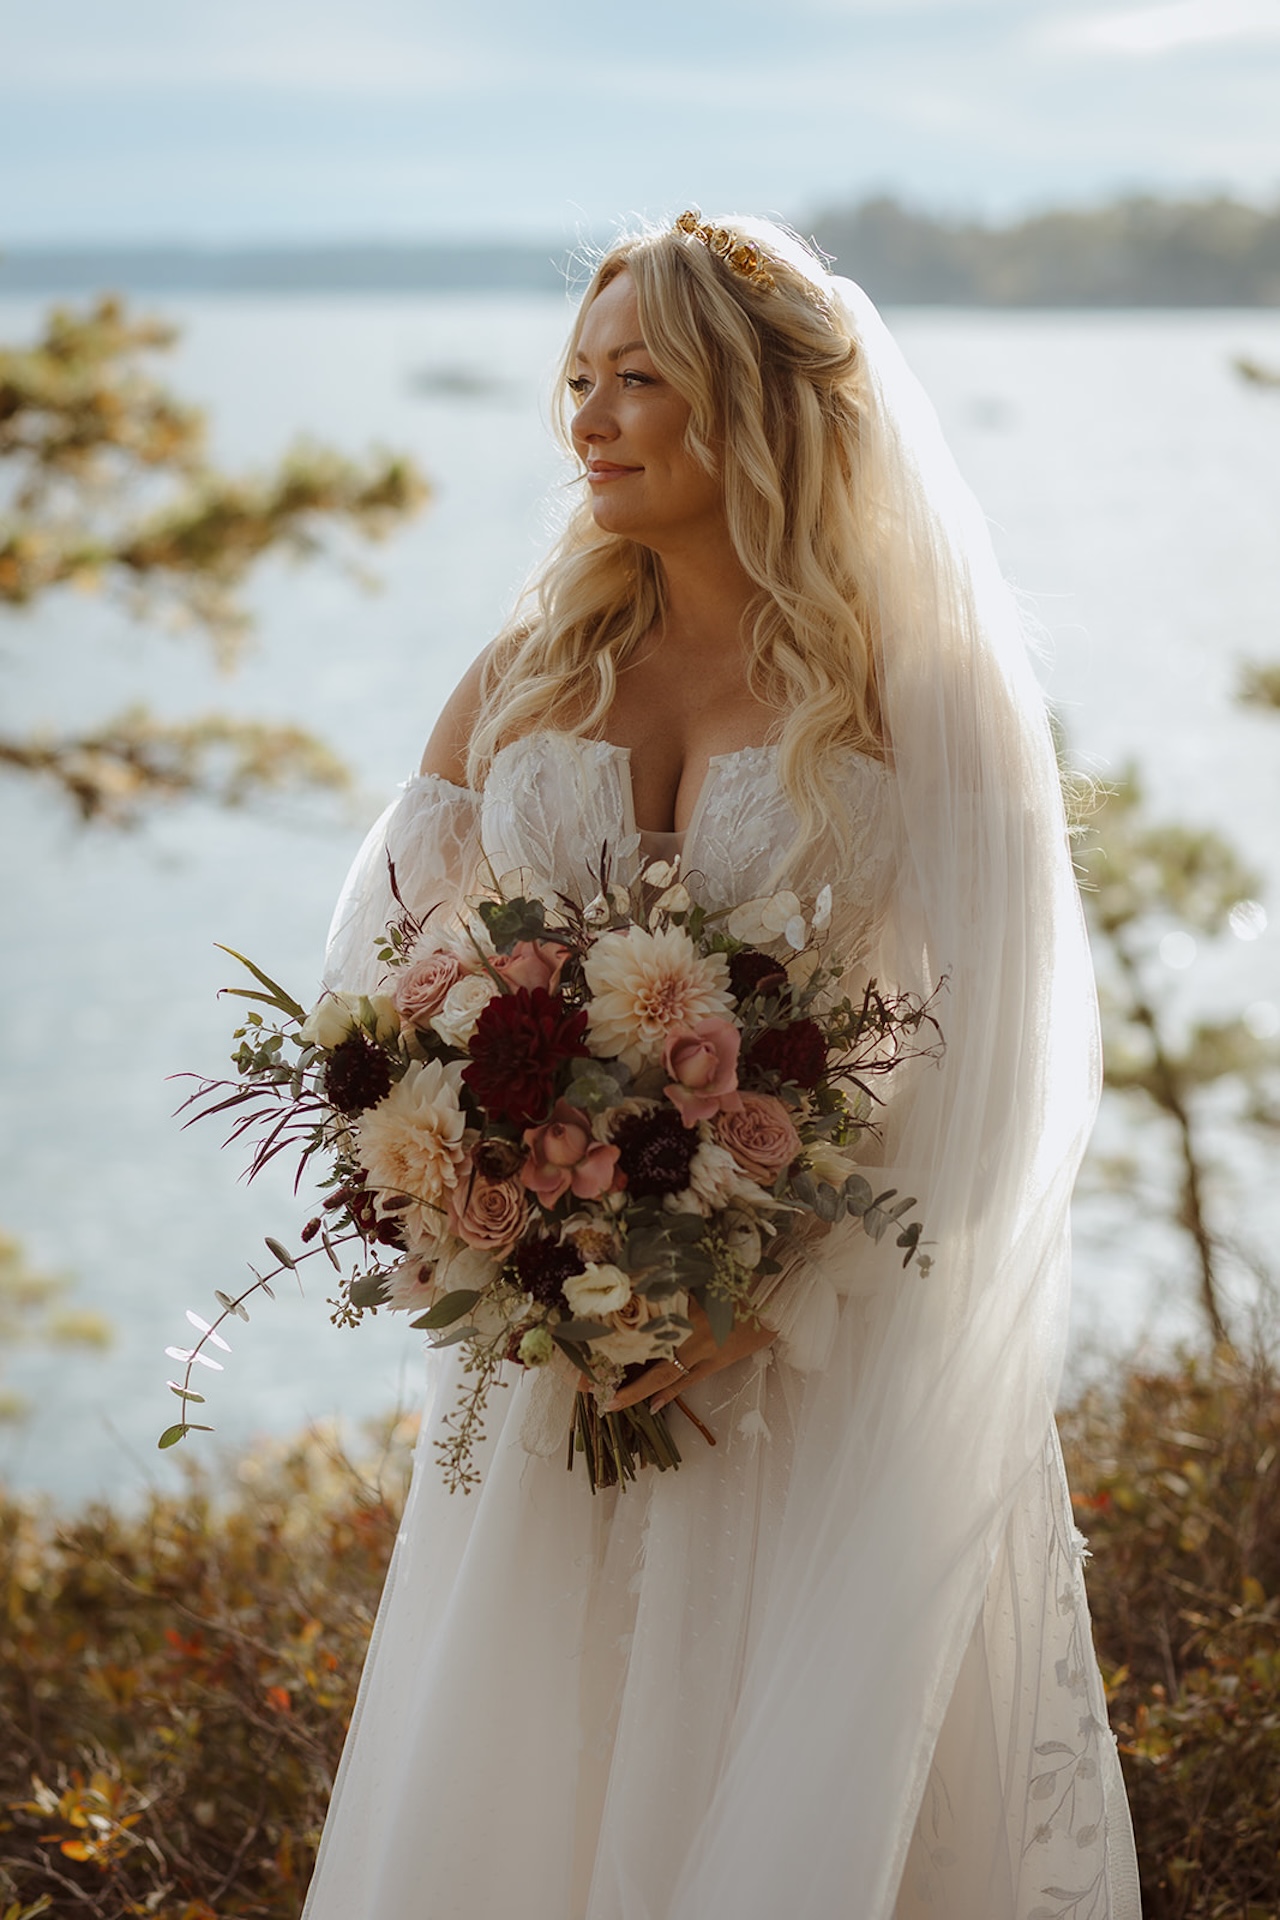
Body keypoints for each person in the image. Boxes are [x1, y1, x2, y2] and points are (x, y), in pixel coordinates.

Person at [304, 213, 1142, 1920]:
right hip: (554, 1367)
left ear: (756, 408)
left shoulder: (923, 696)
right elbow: (377, 993)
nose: (590, 420)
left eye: (639, 381)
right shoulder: (527, 673)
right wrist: (489, 1207)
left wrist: (768, 1294)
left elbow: (1009, 1061)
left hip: (820, 1363)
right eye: (579, 380)